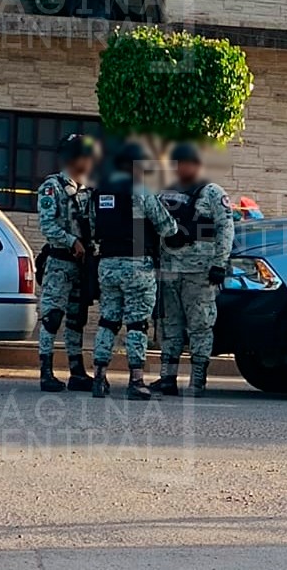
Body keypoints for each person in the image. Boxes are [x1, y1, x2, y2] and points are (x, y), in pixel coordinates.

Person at [91, 143, 178, 400]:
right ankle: (136, 380)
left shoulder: (100, 190)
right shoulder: (140, 189)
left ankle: (99, 377)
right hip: (136, 264)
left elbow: (94, 224)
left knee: (108, 320)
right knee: (137, 323)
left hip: (107, 263)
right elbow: (165, 225)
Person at [150, 143, 235, 397]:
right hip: (169, 270)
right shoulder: (164, 193)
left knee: (200, 325)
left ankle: (197, 379)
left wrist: (220, 264)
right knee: (169, 324)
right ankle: (167, 378)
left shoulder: (212, 193)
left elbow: (225, 229)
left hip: (200, 272)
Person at [35, 134, 98, 393]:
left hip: (81, 267)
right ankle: (46, 372)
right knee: (52, 317)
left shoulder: (86, 189)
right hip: (60, 263)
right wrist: (71, 241)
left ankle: (77, 371)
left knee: (76, 318)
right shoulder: (52, 187)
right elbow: (47, 225)